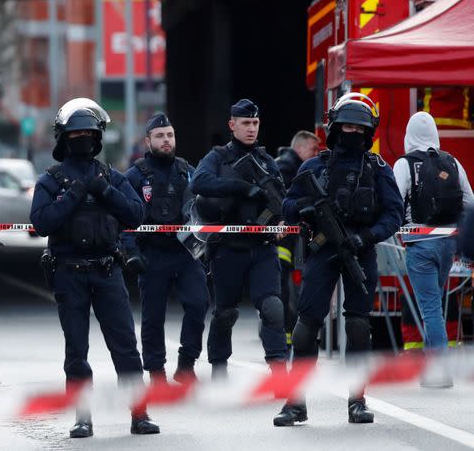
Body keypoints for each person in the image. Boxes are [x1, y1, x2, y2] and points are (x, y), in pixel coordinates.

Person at [30, 98, 160, 438]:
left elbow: (136, 214)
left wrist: (103, 190)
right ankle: (82, 417)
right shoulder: (52, 180)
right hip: (68, 271)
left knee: (125, 346)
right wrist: (72, 196)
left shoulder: (110, 176)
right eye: (76, 134)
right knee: (76, 350)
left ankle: (140, 413)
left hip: (107, 271)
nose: (83, 138)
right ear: (63, 138)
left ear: (98, 137)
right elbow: (41, 222)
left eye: (89, 133)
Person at [274, 93, 403, 426]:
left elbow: (394, 214)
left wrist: (367, 236)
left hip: (360, 250)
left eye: (358, 129)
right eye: (346, 126)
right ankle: (295, 402)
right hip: (321, 249)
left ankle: (357, 401)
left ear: (368, 132)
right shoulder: (314, 166)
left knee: (359, 326)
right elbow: (287, 204)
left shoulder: (377, 169)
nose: (351, 133)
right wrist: (303, 210)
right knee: (305, 329)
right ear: (334, 128)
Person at [190, 98, 288, 381]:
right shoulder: (218, 157)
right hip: (228, 249)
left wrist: (283, 221)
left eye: (255, 123)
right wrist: (241, 188)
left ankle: (279, 371)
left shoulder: (268, 162)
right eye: (245, 123)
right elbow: (199, 182)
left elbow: (283, 201)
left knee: (272, 307)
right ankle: (219, 368)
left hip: (262, 247)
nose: (251, 128)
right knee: (225, 313)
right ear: (232, 125)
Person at [122, 113, 209, 385]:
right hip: (152, 254)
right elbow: (124, 218)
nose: (166, 140)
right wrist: (131, 251)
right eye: (160, 136)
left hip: (185, 252)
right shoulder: (134, 177)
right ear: (148, 141)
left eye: (169, 135)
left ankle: (187, 364)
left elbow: (203, 211)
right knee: (153, 316)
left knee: (199, 303)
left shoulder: (189, 171)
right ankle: (156, 371)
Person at [393, 112, 473, 387]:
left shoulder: (405, 164)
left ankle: (440, 371)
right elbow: (469, 200)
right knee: (435, 304)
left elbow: (394, 200)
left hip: (420, 244)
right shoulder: (451, 161)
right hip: (448, 243)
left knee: (430, 309)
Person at [274, 131, 320, 349]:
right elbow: (281, 199)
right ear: (299, 149)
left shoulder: (294, 166)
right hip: (284, 240)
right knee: (283, 287)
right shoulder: (286, 167)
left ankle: (291, 334)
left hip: (293, 238)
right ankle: (287, 333)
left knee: (290, 286)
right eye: (313, 149)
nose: (315, 154)